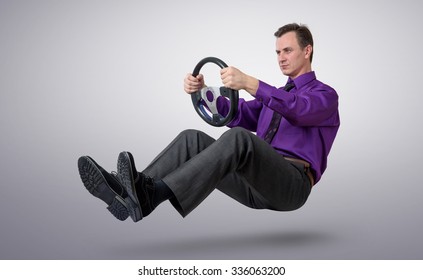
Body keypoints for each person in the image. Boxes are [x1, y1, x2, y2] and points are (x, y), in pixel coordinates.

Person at [78, 23, 340, 222]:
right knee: (192, 138)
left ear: (307, 51)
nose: (281, 57)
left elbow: (299, 111)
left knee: (240, 138)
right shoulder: (272, 99)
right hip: (253, 183)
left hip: (291, 187)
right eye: (278, 52)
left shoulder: (325, 96)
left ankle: (152, 195)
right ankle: (128, 194)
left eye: (288, 50)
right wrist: (202, 91)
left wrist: (250, 83)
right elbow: (236, 114)